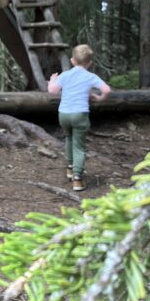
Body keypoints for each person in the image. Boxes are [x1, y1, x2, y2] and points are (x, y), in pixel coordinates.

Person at [47, 44, 111, 191]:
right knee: (79, 146)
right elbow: (107, 90)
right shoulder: (91, 77)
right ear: (90, 63)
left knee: (68, 138)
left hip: (63, 114)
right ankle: (77, 179)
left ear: (72, 60)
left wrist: (52, 80)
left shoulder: (65, 75)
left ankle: (69, 168)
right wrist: (100, 98)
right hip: (80, 114)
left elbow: (52, 91)